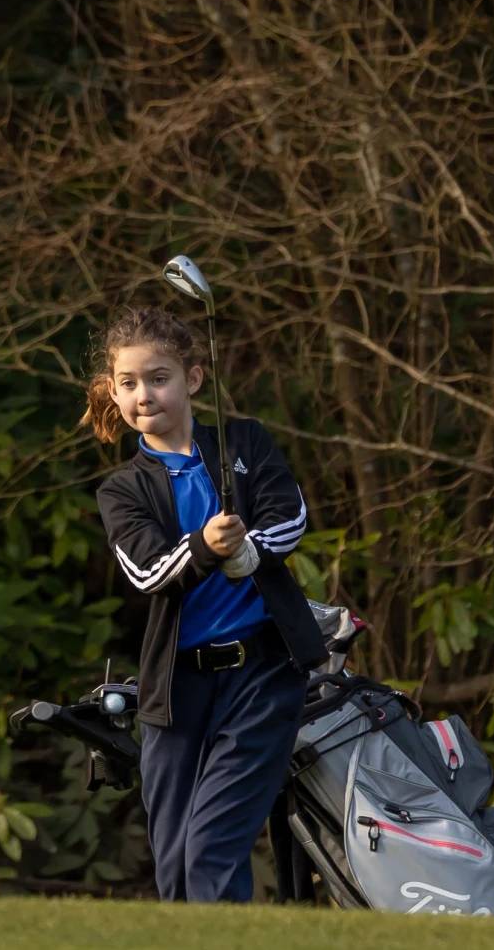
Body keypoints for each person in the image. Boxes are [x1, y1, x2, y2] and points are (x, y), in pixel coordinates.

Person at [79, 306, 326, 903]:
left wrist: (249, 553)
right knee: (175, 859)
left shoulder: (244, 442)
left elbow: (290, 518)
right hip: (176, 690)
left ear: (192, 379)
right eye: (129, 383)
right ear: (112, 391)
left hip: (262, 676)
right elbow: (148, 572)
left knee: (212, 847)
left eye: (159, 378)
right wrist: (208, 547)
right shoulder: (122, 490)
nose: (145, 395)